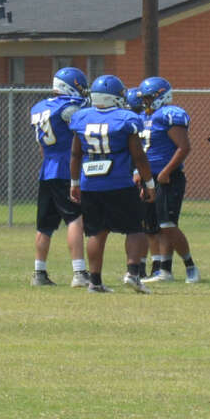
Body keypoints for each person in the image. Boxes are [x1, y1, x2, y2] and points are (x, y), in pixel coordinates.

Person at [67, 75, 154, 294]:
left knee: (96, 232)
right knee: (135, 228)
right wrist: (149, 182)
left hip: (90, 184)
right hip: (119, 183)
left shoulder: (81, 117)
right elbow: (139, 155)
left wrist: (74, 182)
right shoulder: (126, 118)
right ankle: (133, 274)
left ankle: (95, 281)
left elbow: (76, 154)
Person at [30, 67, 90, 288]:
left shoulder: (39, 107)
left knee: (44, 225)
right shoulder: (69, 108)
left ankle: (39, 272)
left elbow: (42, 147)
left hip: (47, 169)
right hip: (67, 167)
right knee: (75, 219)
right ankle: (79, 272)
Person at [137, 76, 199, 284]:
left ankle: (190, 266)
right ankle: (163, 270)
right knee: (152, 226)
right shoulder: (146, 116)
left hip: (167, 177)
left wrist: (166, 171)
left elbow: (184, 147)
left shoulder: (169, 115)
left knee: (168, 224)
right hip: (149, 177)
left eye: (148, 98)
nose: (144, 102)